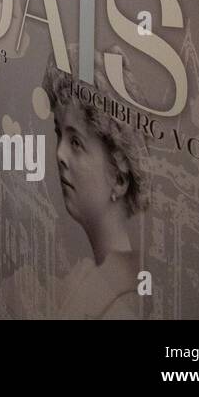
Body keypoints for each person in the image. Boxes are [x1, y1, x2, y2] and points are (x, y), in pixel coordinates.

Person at [44, 59, 149, 319]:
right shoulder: (88, 277)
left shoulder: (123, 303)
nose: (60, 154)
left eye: (76, 142)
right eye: (60, 135)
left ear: (120, 179)